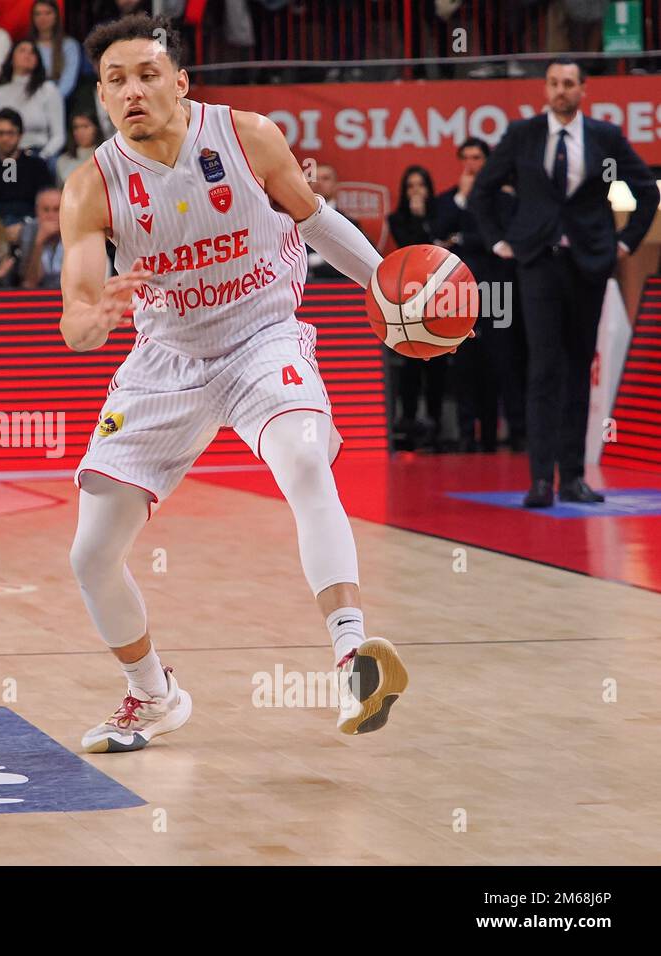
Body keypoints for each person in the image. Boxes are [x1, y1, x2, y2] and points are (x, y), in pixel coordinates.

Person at [60, 14, 408, 752]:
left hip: (262, 338)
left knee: (306, 460)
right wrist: (99, 318)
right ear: (100, 95)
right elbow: (78, 322)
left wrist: (388, 284)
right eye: (115, 81)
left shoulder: (247, 135)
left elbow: (316, 222)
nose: (132, 91)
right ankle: (153, 695)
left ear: (180, 82)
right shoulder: (91, 188)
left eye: (147, 75)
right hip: (166, 360)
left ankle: (352, 656)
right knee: (90, 555)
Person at [472, 59, 659, 508]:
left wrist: (626, 244)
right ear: (545, 88)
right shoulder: (524, 135)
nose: (561, 91)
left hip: (589, 262)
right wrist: (499, 240)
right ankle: (540, 479)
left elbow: (647, 190)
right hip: (537, 262)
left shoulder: (605, 138)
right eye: (554, 83)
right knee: (542, 367)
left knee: (578, 367)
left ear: (583, 89)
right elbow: (482, 191)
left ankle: (573, 476)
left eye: (569, 84)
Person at [435, 138, 524, 454]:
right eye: (466, 158)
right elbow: (438, 236)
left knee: (503, 359)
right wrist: (463, 198)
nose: (471, 164)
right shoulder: (450, 200)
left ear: (488, 162)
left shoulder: (503, 199)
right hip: (459, 292)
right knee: (464, 360)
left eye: (477, 158)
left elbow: (500, 240)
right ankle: (465, 434)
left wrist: (462, 238)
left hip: (497, 287)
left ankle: (513, 431)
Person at [387, 164, 447, 452]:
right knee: (410, 367)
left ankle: (435, 427)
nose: (416, 192)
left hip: (440, 301)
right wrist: (418, 219)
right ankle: (409, 425)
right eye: (410, 187)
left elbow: (439, 253)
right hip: (409, 301)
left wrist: (426, 219)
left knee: (437, 367)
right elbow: (415, 250)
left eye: (420, 185)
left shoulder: (440, 215)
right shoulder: (397, 218)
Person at [0, 108, 54, 225]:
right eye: (0, 133)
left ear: (20, 135)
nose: (5, 139)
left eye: (10, 133)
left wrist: (24, 228)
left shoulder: (37, 166)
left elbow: (47, 203)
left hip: (31, 226)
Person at [0, 41, 66, 163]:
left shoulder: (48, 89)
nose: (28, 55)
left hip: (41, 154)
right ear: (11, 58)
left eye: (32, 52)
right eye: (22, 50)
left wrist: (42, 157)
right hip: (9, 156)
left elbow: (59, 136)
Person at [30, 0, 82, 102]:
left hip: (58, 101)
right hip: (30, 101)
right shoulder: (27, 45)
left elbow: (68, 81)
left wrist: (51, 101)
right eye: (38, 14)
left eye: (48, 13)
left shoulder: (69, 45)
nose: (42, 18)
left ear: (56, 16)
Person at [18, 186, 63, 288]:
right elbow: (29, 283)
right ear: (37, 211)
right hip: (39, 297)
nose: (51, 216)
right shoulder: (28, 231)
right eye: (46, 210)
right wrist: (39, 242)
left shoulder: (77, 231)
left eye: (56, 209)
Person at [56, 112, 99, 186]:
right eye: (76, 127)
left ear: (96, 128)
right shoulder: (63, 160)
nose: (80, 132)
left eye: (85, 126)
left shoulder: (105, 156)